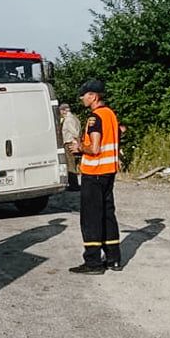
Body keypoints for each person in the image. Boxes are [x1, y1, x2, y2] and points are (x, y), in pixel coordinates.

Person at [70, 79, 121, 274]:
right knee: (107, 215)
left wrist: (79, 148)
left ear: (93, 96)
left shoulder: (95, 118)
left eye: (84, 95)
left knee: (91, 218)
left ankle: (93, 262)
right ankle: (113, 258)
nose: (82, 98)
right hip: (109, 171)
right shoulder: (110, 114)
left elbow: (95, 148)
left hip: (94, 172)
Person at [59, 102, 81, 192]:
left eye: (60, 110)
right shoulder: (74, 118)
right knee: (72, 164)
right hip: (72, 142)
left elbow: (75, 133)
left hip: (69, 143)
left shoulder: (68, 120)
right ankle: (73, 184)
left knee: (70, 165)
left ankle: (73, 185)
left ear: (64, 110)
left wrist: (77, 142)